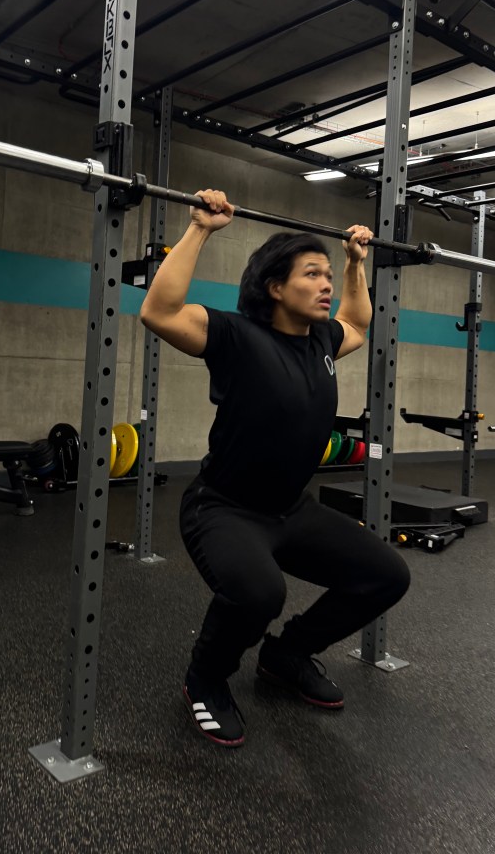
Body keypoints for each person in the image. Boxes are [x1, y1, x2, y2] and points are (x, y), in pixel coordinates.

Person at [140, 189, 411, 747]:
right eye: (313, 274)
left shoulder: (323, 340)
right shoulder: (237, 337)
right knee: (260, 593)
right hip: (224, 508)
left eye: (328, 275)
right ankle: (206, 677)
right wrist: (201, 228)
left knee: (387, 575)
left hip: (291, 510)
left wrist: (355, 263)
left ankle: (286, 654)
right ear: (275, 287)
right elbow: (159, 312)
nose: (326, 284)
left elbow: (357, 323)